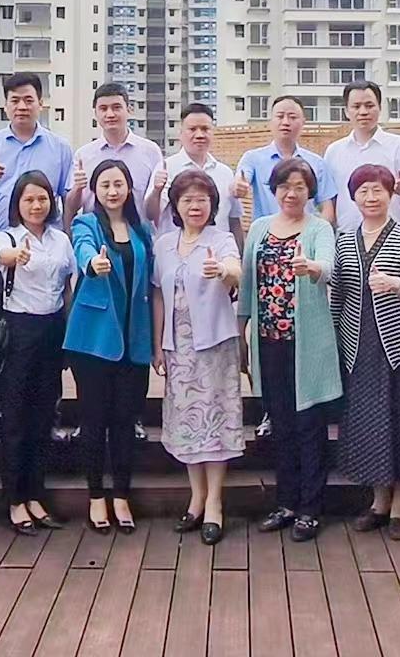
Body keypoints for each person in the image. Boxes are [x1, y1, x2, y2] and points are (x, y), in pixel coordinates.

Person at [243, 159, 341, 542]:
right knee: (280, 424)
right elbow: (247, 286)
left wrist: (311, 267)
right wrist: (240, 332)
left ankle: (310, 509)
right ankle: (285, 503)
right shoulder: (259, 228)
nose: (291, 193)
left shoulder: (319, 228)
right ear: (274, 190)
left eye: (300, 186)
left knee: (309, 425)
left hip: (307, 344)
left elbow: (328, 268)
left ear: (310, 191)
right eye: (285, 186)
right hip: (268, 341)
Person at [330, 161, 400, 542]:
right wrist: (333, 337)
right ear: (354, 197)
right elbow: (338, 294)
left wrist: (395, 284)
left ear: (390, 195)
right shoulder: (344, 240)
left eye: (378, 190)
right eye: (363, 191)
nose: (371, 197)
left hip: (398, 345)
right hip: (357, 344)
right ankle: (378, 501)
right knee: (369, 421)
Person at [153, 170, 245, 546]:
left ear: (213, 204)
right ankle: (196, 498)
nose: (195, 206)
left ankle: (214, 504)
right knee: (188, 423)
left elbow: (235, 272)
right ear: (175, 205)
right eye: (188, 199)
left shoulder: (221, 240)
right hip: (178, 347)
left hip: (214, 346)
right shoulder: (163, 244)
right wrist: (158, 344)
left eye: (202, 199)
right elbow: (158, 294)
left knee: (215, 421)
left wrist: (222, 271)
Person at [64, 159, 155, 534]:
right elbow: (83, 249)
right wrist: (92, 264)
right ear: (95, 190)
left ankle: (121, 494)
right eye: (105, 185)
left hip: (134, 339)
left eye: (119, 184)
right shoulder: (86, 224)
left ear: (129, 188)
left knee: (124, 421)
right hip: (94, 340)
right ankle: (95, 496)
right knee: (93, 420)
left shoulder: (141, 229)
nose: (112, 191)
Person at [0, 172, 74, 533]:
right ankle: (15, 499)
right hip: (19, 329)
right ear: (17, 204)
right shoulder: (6, 236)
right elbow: (3, 257)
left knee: (43, 416)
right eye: (29, 199)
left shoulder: (61, 240)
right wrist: (17, 256)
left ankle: (36, 495)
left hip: (53, 328)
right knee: (15, 418)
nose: (36, 206)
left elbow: (68, 286)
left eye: (42, 199)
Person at [0, 72, 74, 234]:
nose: (22, 107)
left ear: (40, 104)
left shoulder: (60, 148)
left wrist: (68, 236)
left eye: (28, 100)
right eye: (15, 101)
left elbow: (68, 199)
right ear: (5, 106)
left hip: (46, 240)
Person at [323, 80, 400, 231]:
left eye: (369, 106)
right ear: (346, 111)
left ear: (380, 108)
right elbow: (328, 201)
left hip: (392, 235)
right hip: (347, 236)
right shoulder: (334, 151)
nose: (363, 112)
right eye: (356, 106)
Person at [146, 102, 244, 246]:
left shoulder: (225, 172)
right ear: (180, 133)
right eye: (192, 129)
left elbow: (234, 219)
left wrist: (239, 254)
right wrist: (156, 191)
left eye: (205, 129)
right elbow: (150, 215)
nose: (199, 135)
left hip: (217, 253)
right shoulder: (166, 167)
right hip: (177, 252)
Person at [66, 83, 163, 221]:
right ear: (95, 113)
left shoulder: (150, 151)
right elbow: (71, 208)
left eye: (116, 107)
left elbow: (154, 211)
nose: (110, 114)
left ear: (129, 109)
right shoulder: (83, 155)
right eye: (103, 109)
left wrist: (157, 190)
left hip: (139, 232)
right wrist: (77, 188)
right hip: (97, 232)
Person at [234, 95, 333, 224]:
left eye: (292, 117)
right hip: (267, 233)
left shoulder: (317, 163)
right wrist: (239, 186)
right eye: (280, 116)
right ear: (271, 121)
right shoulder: (253, 158)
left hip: (306, 233)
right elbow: (240, 180)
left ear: (303, 122)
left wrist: (318, 231)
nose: (285, 122)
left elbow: (327, 207)